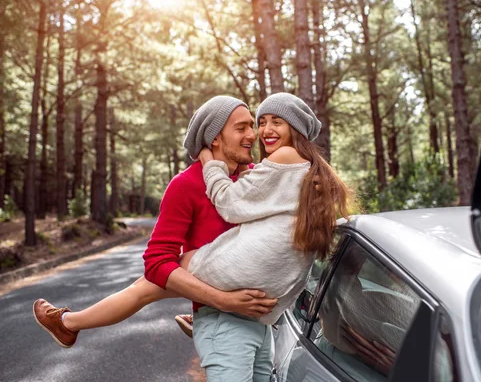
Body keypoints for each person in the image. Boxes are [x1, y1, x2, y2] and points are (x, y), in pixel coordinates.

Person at [34, 92, 353, 381]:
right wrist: (219, 301)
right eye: (243, 127)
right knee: (146, 286)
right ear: (215, 137)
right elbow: (157, 264)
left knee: (150, 286)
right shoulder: (186, 186)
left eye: (253, 126)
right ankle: (70, 323)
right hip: (228, 311)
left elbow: (280, 235)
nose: (254, 134)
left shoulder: (256, 174)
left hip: (257, 315)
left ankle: (71, 322)